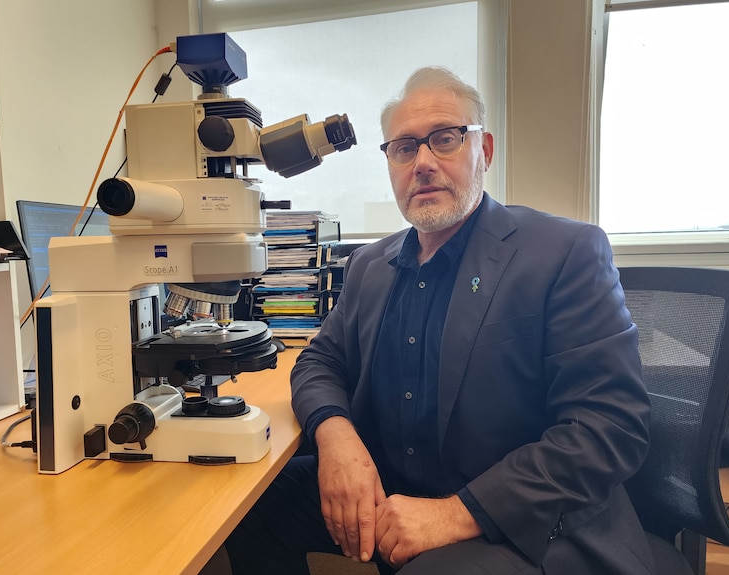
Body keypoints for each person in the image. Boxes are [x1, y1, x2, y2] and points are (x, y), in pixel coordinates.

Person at [224, 66, 655, 574]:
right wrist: (334, 434)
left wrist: (459, 512)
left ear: (484, 151)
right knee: (251, 511)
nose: (423, 162)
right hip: (395, 498)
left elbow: (609, 427)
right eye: (405, 148)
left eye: (445, 139)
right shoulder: (369, 265)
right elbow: (320, 360)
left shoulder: (565, 252)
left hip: (528, 523)